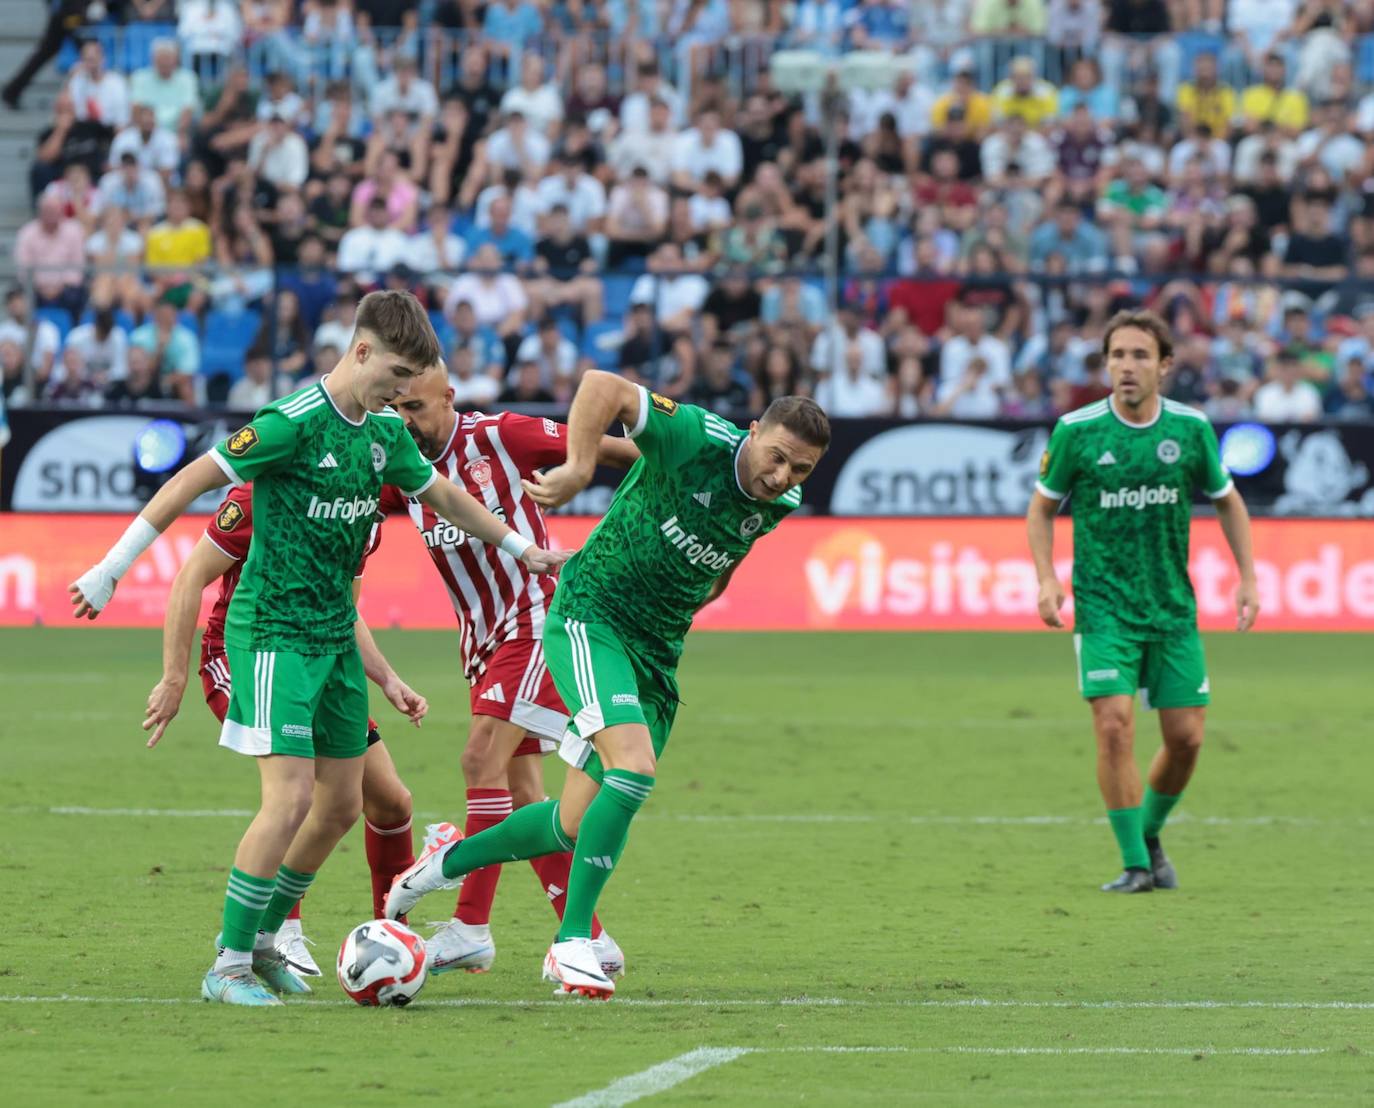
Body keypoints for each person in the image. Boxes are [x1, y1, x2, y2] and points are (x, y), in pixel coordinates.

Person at [68, 291, 568, 1007]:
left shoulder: (384, 436)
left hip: (335, 637)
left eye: (410, 383)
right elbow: (188, 480)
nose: (401, 393)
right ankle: (229, 965)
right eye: (395, 375)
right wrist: (111, 567)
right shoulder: (291, 425)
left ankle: (267, 938)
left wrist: (522, 547)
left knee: (340, 805)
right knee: (291, 798)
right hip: (273, 633)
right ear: (359, 351)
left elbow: (450, 499)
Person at [385, 374, 831, 999]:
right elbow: (603, 387)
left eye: (800, 469)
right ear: (753, 433)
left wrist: (697, 600)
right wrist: (576, 466)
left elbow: (723, 562)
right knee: (633, 770)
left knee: (569, 824)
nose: (783, 476)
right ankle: (572, 944)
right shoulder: (696, 436)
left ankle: (436, 869)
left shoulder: (775, 507)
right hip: (592, 617)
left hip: (656, 653)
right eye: (777, 456)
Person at [379, 366, 638, 975]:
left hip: (535, 618)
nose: (408, 422)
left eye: (416, 407)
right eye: (398, 410)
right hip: (481, 641)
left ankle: (470, 925)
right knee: (523, 793)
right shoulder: (402, 464)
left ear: (449, 397)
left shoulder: (502, 434)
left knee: (479, 761)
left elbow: (614, 447)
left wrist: (632, 478)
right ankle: (592, 937)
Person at [1026, 310, 1260, 895]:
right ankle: (1134, 864)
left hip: (1171, 607)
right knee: (1114, 725)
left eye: (1138, 356)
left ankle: (1149, 835)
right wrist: (1047, 579)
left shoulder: (1190, 429)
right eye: (1116, 356)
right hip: (1104, 606)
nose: (1126, 367)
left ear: (1164, 365)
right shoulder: (1076, 431)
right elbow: (1041, 508)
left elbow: (1227, 500)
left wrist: (1248, 577)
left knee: (1186, 739)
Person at [161, 479, 421, 977]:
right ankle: (248, 951)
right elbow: (189, 577)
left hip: (322, 656)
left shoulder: (363, 516)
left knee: (381, 800)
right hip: (248, 656)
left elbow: (342, 607)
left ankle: (341, 932)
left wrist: (387, 678)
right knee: (294, 796)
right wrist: (172, 677)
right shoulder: (261, 494)